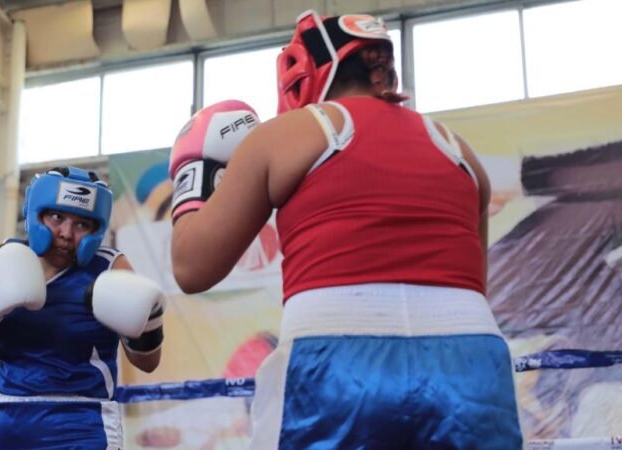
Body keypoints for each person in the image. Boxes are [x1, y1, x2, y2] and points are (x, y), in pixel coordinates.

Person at [168, 9, 523, 450]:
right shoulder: (460, 152)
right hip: (471, 362)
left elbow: (190, 266)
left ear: (305, 69)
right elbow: (472, 285)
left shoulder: (287, 135)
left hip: (335, 357)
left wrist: (194, 173)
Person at [0, 166, 165, 450]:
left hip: (81, 424)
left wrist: (149, 320)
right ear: (36, 214)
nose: (66, 233)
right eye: (57, 217)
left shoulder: (111, 267)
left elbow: (147, 363)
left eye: (82, 224)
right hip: (10, 422)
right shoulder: (7, 256)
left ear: (95, 229)